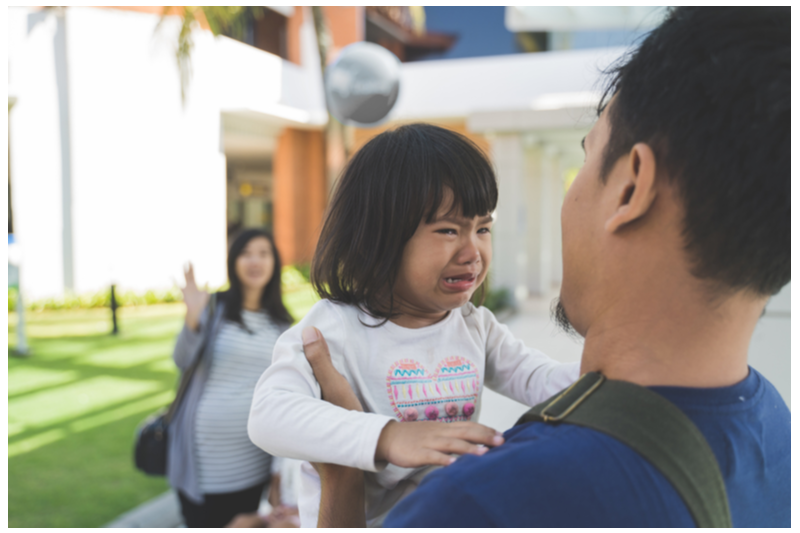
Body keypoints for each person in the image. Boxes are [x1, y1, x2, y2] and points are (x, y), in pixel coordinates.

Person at [304, 6, 791, 528]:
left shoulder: (481, 501)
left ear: (631, 186)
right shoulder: (775, 428)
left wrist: (343, 478)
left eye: (586, 160)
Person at [247, 124, 580, 527]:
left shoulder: (473, 325)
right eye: (448, 230)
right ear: (378, 238)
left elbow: (538, 377)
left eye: (483, 228)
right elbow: (268, 414)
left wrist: (614, 375)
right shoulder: (335, 329)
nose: (472, 251)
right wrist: (388, 437)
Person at [168, 229, 294, 527]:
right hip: (203, 457)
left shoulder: (282, 323)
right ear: (233, 261)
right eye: (246, 253)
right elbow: (181, 359)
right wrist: (192, 318)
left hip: (253, 456)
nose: (255, 261)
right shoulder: (213, 308)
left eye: (263, 253)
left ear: (274, 263)